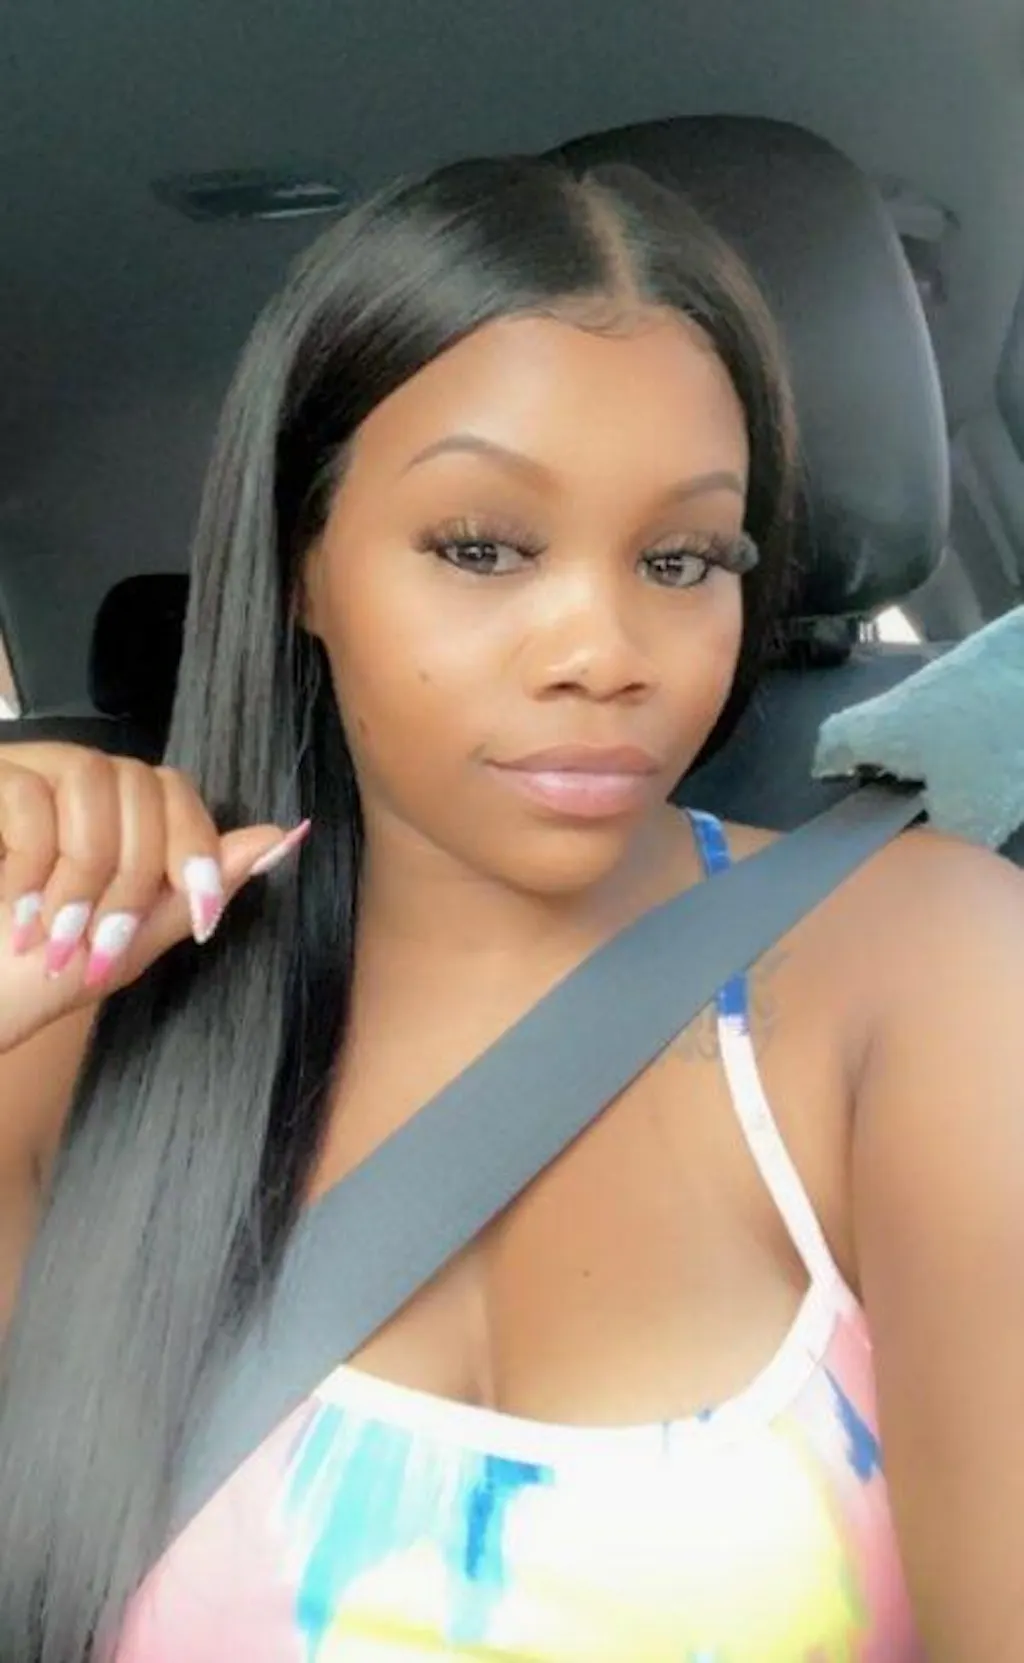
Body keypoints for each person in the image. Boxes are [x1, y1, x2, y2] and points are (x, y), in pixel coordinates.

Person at [0, 156, 1020, 1663]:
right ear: (302, 563)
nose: (605, 652)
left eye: (681, 559)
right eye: (481, 547)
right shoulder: (76, 1015)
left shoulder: (931, 966)